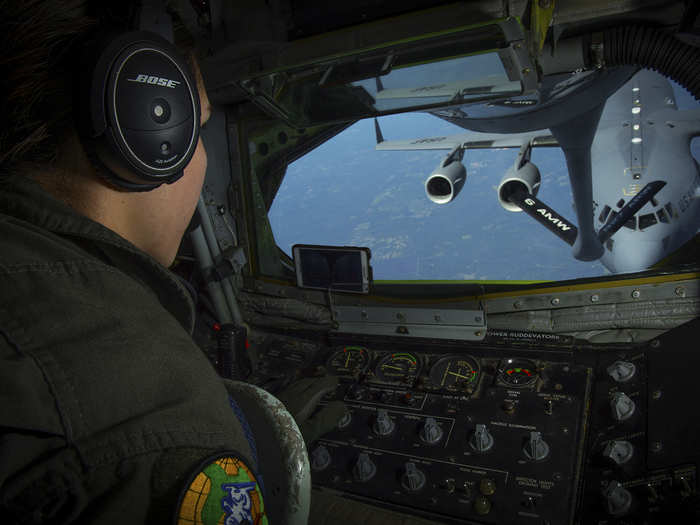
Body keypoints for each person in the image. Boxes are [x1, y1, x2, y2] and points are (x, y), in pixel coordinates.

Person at [0, 1, 344, 523]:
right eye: (197, 125)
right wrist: (231, 445)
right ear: (147, 125)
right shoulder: (162, 429)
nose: (199, 160)